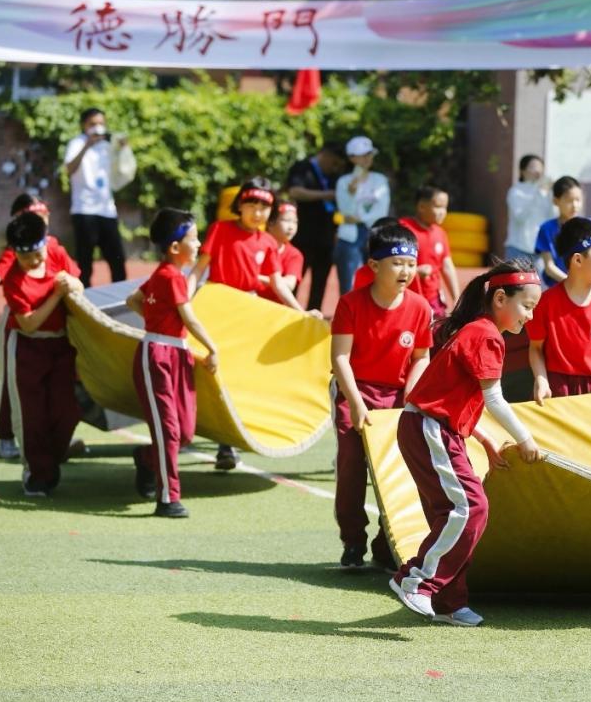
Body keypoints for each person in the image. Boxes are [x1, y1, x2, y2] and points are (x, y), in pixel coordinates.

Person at [389, 261, 542, 627]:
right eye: (527, 306)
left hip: (433, 429)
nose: (530, 318)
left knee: (452, 513)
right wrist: (525, 438)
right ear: (501, 298)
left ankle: (448, 602)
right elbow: (494, 400)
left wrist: (485, 439)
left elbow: (459, 397)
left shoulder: (481, 331)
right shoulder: (486, 335)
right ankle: (415, 581)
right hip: (430, 428)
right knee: (471, 508)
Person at [330, 222, 432, 570]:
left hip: (398, 399)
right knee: (351, 470)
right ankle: (353, 542)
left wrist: (409, 398)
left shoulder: (421, 308)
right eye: (397, 263)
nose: (406, 270)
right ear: (374, 266)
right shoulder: (351, 303)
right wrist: (356, 403)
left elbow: (421, 357)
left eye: (411, 262)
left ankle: (386, 546)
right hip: (353, 391)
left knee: (397, 473)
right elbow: (340, 357)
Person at [188, 178, 309, 470]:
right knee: (215, 373)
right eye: (251, 205)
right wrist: (183, 300)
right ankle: (214, 438)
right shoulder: (220, 230)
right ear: (239, 206)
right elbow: (199, 269)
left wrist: (302, 313)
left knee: (241, 377)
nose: (257, 213)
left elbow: (279, 285)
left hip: (249, 314)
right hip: (218, 309)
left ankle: (229, 443)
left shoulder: (267, 242)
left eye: (264, 207)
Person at [125, 209, 218, 519]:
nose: (200, 244)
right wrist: (211, 347)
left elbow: (134, 301)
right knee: (168, 431)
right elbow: (188, 317)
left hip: (177, 354)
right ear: (175, 248)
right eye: (194, 239)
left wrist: (158, 318)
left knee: (185, 431)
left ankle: (146, 457)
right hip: (159, 356)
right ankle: (168, 498)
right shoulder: (169, 275)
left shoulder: (167, 276)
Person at [1, 211, 84, 497]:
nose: (36, 262)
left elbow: (78, 284)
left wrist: (70, 285)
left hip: (61, 346)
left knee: (67, 411)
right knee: (31, 416)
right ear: (15, 253)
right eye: (28, 258)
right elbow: (29, 322)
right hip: (28, 347)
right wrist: (56, 294)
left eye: (39, 254)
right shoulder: (13, 281)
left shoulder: (57, 252)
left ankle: (52, 460)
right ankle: (37, 473)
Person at [0, 195, 54, 460]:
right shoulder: (18, 248)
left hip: (50, 324)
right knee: (13, 383)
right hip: (20, 321)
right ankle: (6, 434)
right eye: (36, 212)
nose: (43, 217)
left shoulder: (51, 245)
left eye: (44, 211)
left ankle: (54, 435)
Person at [527, 218, 591, 423]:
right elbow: (536, 348)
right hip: (557, 390)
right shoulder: (546, 303)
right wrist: (541, 380)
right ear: (577, 260)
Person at [63, 107, 127, 287]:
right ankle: (84, 303)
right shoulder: (77, 143)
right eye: (92, 124)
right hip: (84, 209)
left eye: (101, 123)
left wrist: (123, 148)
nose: (97, 127)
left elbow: (121, 170)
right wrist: (87, 145)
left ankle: (120, 300)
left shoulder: (108, 146)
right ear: (84, 125)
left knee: (117, 260)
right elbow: (69, 169)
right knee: (85, 262)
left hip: (107, 210)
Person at [285, 141, 347, 311]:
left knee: (320, 283)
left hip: (326, 237)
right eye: (334, 162)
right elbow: (295, 191)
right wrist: (326, 195)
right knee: (296, 278)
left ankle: (314, 316)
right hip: (303, 235)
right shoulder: (302, 167)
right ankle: (290, 313)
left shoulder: (335, 176)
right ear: (325, 155)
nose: (335, 167)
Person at [335, 136, 390, 295]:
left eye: (369, 154)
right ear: (352, 157)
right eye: (363, 154)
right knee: (349, 285)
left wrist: (361, 219)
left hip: (374, 234)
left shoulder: (380, 180)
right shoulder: (344, 181)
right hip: (349, 236)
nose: (367, 158)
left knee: (376, 282)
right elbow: (346, 211)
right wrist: (351, 193)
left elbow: (381, 211)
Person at [400, 186, 460, 318]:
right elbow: (391, 262)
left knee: (436, 336)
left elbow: (447, 266)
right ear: (421, 206)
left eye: (445, 207)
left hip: (433, 300)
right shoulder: (403, 229)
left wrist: (456, 297)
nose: (442, 212)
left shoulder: (440, 233)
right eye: (438, 207)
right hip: (406, 299)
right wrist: (415, 271)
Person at [534, 176, 583, 288]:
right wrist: (572, 283)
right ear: (556, 201)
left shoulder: (588, 227)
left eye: (578, 200)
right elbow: (549, 267)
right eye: (569, 200)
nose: (575, 205)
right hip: (556, 287)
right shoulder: (547, 229)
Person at [505, 154, 553, 262]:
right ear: (522, 171)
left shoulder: (544, 192)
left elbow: (552, 216)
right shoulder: (516, 191)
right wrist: (538, 193)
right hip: (518, 248)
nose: (537, 170)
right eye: (532, 167)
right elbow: (520, 218)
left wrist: (551, 194)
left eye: (540, 167)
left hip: (539, 250)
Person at [257, 203, 305, 305]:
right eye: (286, 220)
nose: (291, 227)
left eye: (295, 222)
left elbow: (289, 284)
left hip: (276, 309)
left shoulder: (295, 255)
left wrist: (253, 277)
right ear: (270, 223)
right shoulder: (255, 244)